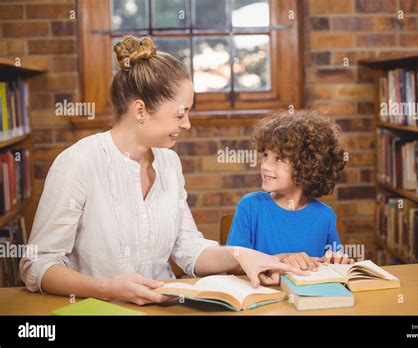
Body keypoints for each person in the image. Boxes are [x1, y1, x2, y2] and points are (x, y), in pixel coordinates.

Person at [20, 36, 305, 306]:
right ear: (140, 110)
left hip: (162, 308)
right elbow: (38, 264)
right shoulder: (79, 162)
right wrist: (106, 288)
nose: (187, 124)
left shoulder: (169, 163)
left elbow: (189, 249)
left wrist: (245, 256)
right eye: (180, 114)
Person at [226, 110, 353, 271]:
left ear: (306, 166)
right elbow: (233, 266)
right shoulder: (250, 206)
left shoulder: (325, 216)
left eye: (279, 159)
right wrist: (281, 260)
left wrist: (337, 261)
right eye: (266, 155)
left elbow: (331, 264)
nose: (265, 165)